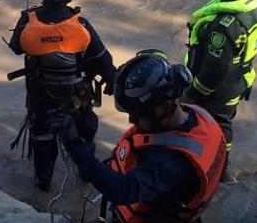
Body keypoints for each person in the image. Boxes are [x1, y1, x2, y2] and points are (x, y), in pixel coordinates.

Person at [51, 50, 227, 222]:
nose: (131, 119)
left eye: (137, 115)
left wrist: (75, 145)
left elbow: (123, 191)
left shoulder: (170, 163)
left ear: (164, 108)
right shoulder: (196, 116)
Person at [8, 0, 116, 191]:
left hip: (41, 97)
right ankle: (87, 177)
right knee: (84, 136)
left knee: (43, 139)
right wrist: (110, 80)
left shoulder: (28, 21)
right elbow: (103, 60)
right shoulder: (81, 25)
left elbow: (16, 47)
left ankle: (43, 183)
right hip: (77, 99)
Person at [183, 0, 257, 174]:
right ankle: (222, 168)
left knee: (198, 126)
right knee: (223, 124)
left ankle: (198, 169)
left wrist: (192, 94)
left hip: (214, 90)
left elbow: (213, 72)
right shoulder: (255, 11)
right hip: (239, 80)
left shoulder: (223, 28)